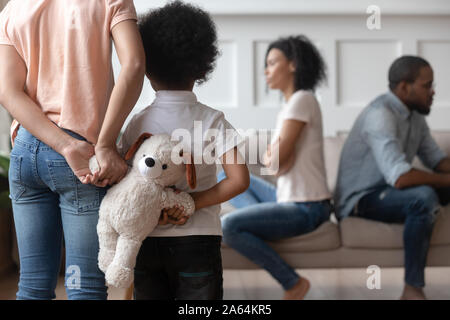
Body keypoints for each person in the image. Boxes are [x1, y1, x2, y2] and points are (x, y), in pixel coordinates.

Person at [0, 0, 145, 299]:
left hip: (27, 151)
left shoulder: (14, 8)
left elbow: (7, 91)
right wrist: (103, 145)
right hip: (81, 158)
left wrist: (62, 145)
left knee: (32, 286)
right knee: (85, 287)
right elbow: (133, 65)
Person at [118, 1, 249, 300]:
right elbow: (239, 180)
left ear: (147, 67)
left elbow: (127, 182)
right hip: (198, 239)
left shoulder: (137, 122)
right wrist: (191, 202)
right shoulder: (213, 120)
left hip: (148, 240)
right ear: (202, 66)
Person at [219, 35, 332, 300]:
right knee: (227, 175)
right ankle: (261, 220)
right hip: (287, 199)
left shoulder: (302, 100)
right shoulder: (290, 105)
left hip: (307, 207)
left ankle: (293, 282)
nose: (266, 71)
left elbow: (277, 164)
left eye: (271, 63)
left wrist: (275, 156)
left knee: (228, 227)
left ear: (292, 65)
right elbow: (277, 162)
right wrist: (275, 156)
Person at [334, 55, 450, 300]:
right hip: (361, 199)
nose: (433, 92)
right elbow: (400, 178)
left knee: (431, 191)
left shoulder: (415, 116)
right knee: (423, 197)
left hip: (391, 192)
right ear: (404, 87)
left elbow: (437, 161)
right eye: (427, 85)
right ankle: (412, 288)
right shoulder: (381, 115)